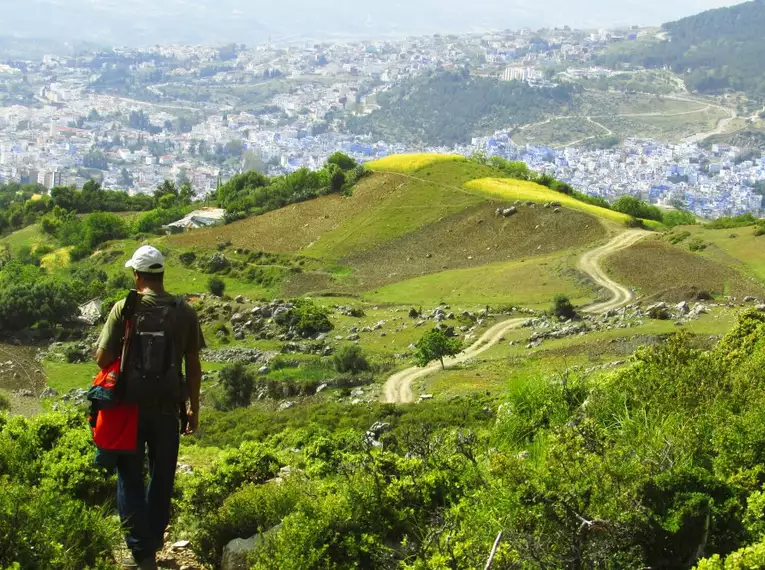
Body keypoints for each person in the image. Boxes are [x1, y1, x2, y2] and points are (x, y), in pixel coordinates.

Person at [95, 245, 205, 570]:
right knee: (161, 478)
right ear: (161, 275)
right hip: (168, 409)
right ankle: (152, 545)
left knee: (129, 477)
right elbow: (194, 364)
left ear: (137, 276)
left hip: (128, 410)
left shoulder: (124, 308)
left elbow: (102, 358)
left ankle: (140, 554)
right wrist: (193, 408)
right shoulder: (184, 311)